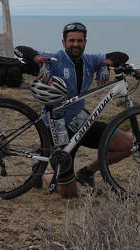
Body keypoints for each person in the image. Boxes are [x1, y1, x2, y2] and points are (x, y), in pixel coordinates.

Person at [16, 21, 132, 198]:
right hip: (56, 128)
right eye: (71, 41)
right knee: (69, 194)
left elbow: (122, 56)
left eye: (79, 41)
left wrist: (104, 65)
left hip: (80, 123)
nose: (75, 44)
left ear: (85, 42)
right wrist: (37, 59)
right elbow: (19, 49)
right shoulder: (54, 58)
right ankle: (41, 169)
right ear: (63, 43)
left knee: (128, 145)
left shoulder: (90, 60)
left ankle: (86, 172)